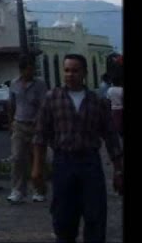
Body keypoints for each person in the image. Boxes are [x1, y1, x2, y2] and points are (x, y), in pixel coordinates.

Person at [32, 54, 123, 243]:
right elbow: (40, 135)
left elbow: (111, 137)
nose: (70, 74)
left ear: (84, 73)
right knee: (63, 219)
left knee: (95, 216)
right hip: (63, 163)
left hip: (90, 164)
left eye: (75, 70)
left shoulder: (97, 101)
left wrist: (118, 170)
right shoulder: (52, 98)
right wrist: (37, 168)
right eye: (66, 70)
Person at [7, 54, 49, 204]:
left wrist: (41, 124)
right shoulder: (14, 84)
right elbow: (11, 104)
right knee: (17, 158)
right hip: (19, 124)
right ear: (22, 70)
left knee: (37, 159)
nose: (31, 73)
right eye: (28, 70)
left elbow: (44, 106)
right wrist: (10, 123)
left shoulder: (40, 85)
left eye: (32, 69)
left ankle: (39, 190)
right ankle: (17, 190)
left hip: (35, 125)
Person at [107, 75, 123, 142]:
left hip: (113, 109)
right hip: (121, 108)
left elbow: (108, 100)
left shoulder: (110, 90)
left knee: (115, 126)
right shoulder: (121, 89)